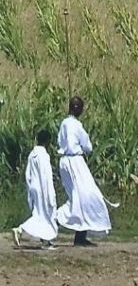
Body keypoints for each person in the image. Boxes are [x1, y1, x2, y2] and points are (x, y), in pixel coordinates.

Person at [56, 96, 111, 246]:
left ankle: (79, 236)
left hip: (64, 161)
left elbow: (60, 141)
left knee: (78, 198)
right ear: (79, 110)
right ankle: (55, 221)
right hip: (75, 161)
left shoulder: (63, 123)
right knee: (88, 196)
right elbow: (88, 147)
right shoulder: (77, 125)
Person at [12, 129, 59, 250]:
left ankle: (46, 240)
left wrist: (30, 189)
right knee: (46, 214)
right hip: (43, 188)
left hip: (34, 187)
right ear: (47, 141)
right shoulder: (43, 155)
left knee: (40, 214)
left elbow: (28, 174)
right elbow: (46, 176)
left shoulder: (32, 154)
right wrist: (50, 194)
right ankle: (21, 230)